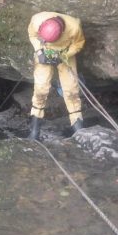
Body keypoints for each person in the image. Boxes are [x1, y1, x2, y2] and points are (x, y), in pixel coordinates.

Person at [27, 11, 86, 140]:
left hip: (65, 53)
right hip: (44, 50)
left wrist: (64, 56)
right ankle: (35, 129)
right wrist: (39, 52)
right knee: (40, 89)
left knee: (71, 90)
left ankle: (78, 127)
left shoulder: (74, 27)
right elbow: (32, 35)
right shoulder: (37, 20)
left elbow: (78, 43)